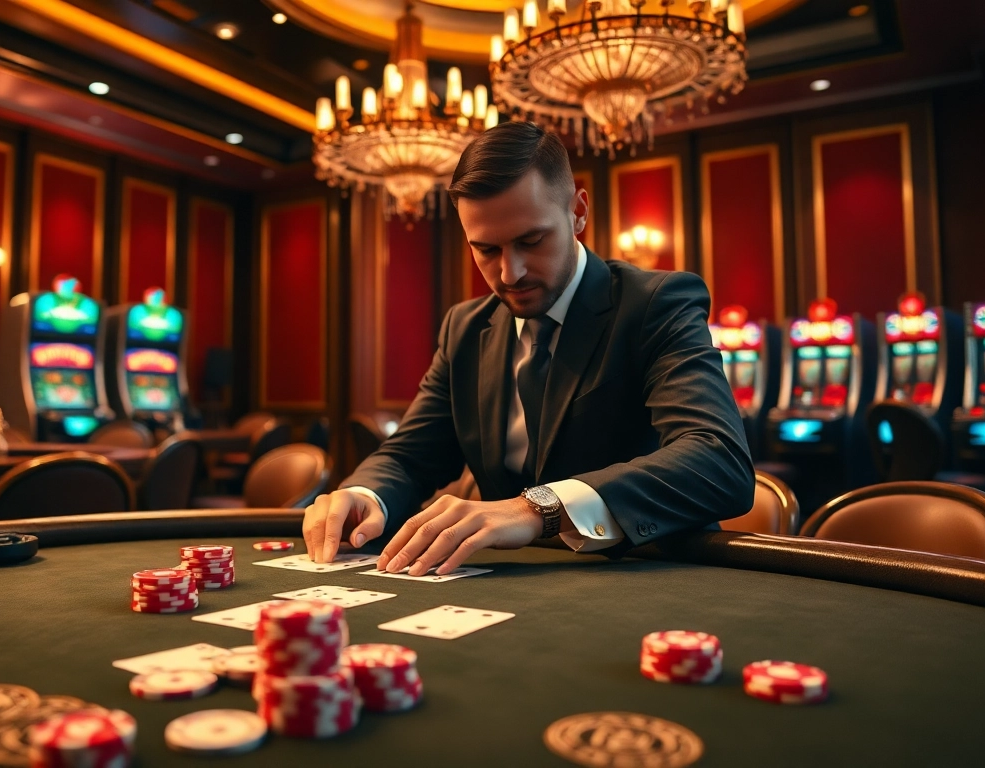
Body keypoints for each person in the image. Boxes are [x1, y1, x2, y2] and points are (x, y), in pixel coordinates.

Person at [303, 121, 754, 575]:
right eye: (486, 250)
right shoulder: (464, 327)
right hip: (509, 582)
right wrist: (362, 495)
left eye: (531, 241)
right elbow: (409, 455)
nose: (509, 273)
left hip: (646, 573)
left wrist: (537, 508)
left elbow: (718, 459)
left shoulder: (656, 303)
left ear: (578, 212)